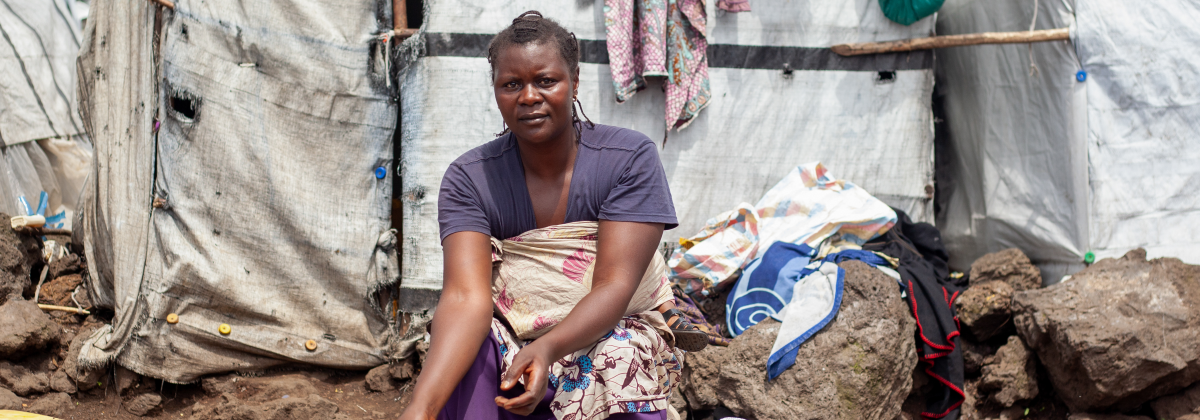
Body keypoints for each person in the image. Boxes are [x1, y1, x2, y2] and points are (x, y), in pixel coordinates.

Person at [397, 11, 706, 420]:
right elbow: (465, 297)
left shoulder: (628, 159)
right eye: (511, 84)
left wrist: (546, 348)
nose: (528, 97)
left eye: (545, 81)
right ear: (495, 90)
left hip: (606, 328)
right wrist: (419, 410)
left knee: (621, 352)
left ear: (574, 81)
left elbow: (614, 286)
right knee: (469, 346)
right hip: (515, 332)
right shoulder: (470, 179)